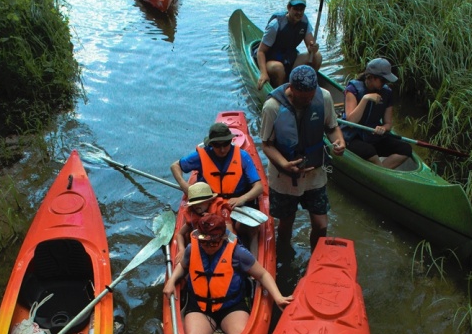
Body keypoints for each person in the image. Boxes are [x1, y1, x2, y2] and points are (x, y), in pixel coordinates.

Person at [163, 214, 292, 334]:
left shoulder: (238, 253)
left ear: (223, 237)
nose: (208, 246)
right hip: (199, 307)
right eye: (203, 242)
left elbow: (262, 275)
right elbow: (183, 267)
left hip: (232, 306)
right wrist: (171, 281)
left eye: (213, 242)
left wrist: (278, 297)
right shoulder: (192, 249)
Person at [261, 65, 345, 251]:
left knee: (321, 224)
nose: (306, 102)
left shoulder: (324, 97)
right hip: (284, 177)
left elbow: (331, 128)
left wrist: (339, 142)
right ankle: (284, 253)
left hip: (314, 174)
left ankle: (315, 258)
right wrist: (284, 164)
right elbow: (267, 144)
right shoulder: (272, 107)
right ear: (291, 87)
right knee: (285, 224)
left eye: (309, 97)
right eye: (301, 97)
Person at [170, 122, 263, 208]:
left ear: (230, 141)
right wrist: (185, 186)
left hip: (236, 204)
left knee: (243, 226)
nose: (222, 150)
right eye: (217, 145)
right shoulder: (201, 156)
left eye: (226, 144)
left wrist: (243, 199)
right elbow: (175, 166)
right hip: (210, 203)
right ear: (211, 144)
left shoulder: (242, 156)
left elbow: (258, 187)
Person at [341, 58, 411, 169]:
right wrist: (365, 99)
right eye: (382, 80)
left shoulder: (387, 93)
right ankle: (383, 175)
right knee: (370, 151)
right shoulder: (353, 90)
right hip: (352, 137)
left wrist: (383, 128)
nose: (384, 84)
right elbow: (351, 122)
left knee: (406, 149)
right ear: (371, 77)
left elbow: (388, 123)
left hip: (372, 136)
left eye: (386, 81)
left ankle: (382, 171)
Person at [255, 0, 323, 91]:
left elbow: (310, 44)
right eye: (296, 9)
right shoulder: (275, 25)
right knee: (278, 68)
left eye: (301, 9)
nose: (299, 13)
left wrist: (313, 47)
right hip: (272, 61)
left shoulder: (304, 22)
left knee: (317, 56)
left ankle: (307, 86)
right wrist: (263, 73)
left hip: (290, 59)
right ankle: (281, 92)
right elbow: (260, 51)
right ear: (288, 8)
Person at [175, 182, 232, 265]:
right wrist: (182, 249)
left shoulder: (222, 211)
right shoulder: (192, 214)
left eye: (201, 202)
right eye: (194, 204)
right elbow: (179, 234)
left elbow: (230, 235)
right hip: (203, 246)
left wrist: (214, 220)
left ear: (210, 201)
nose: (196, 206)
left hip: (218, 245)